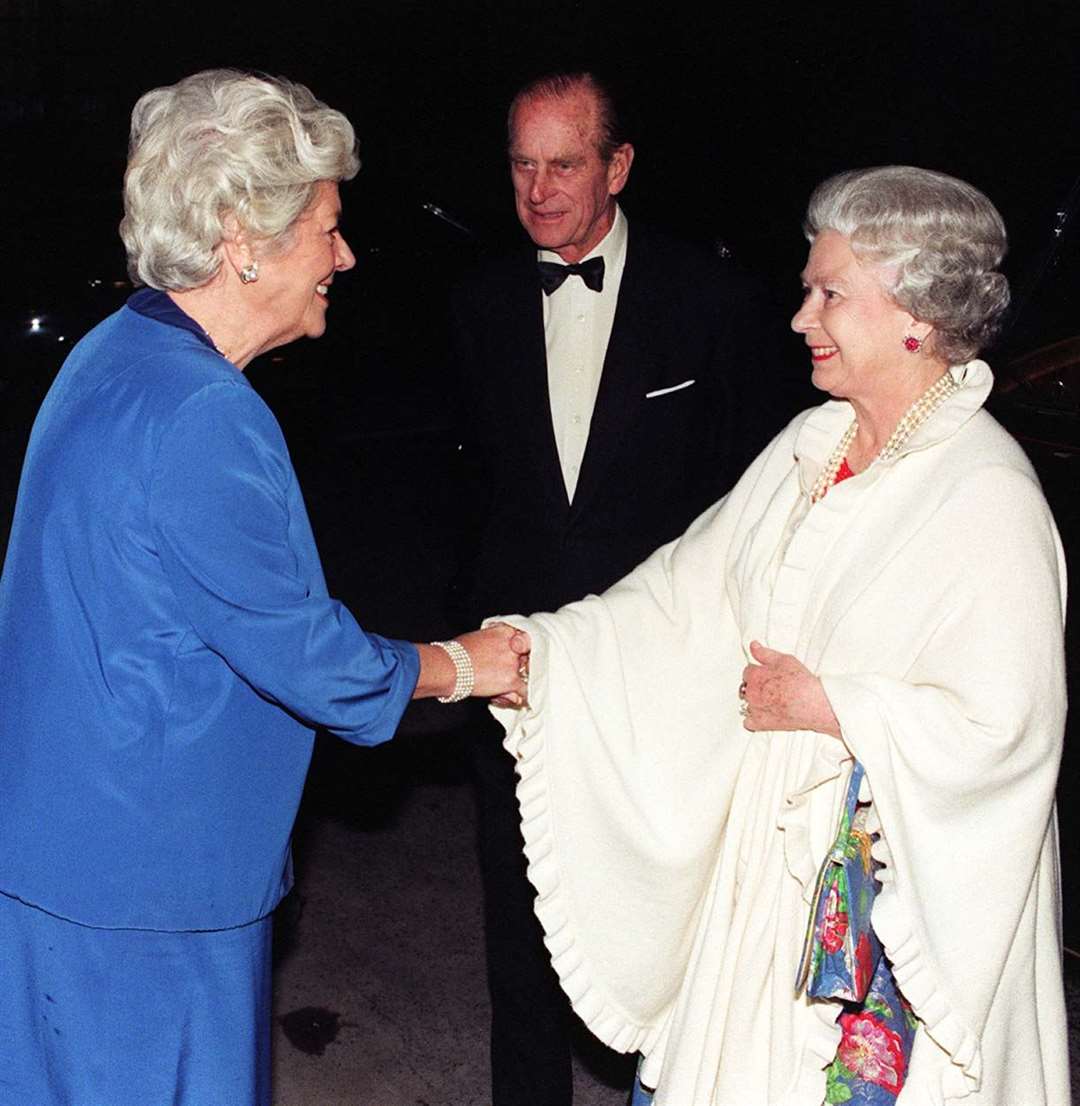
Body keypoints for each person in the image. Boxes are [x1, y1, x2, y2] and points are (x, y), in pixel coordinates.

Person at [0, 69, 527, 1106]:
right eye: (327, 227)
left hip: (58, 858)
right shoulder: (205, 415)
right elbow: (311, 657)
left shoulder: (113, 351)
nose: (345, 254)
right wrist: (466, 664)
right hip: (148, 897)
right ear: (244, 237)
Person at [491, 166, 1069, 1105]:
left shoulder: (987, 496)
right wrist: (531, 654)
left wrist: (832, 703)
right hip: (759, 900)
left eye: (829, 293)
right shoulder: (813, 443)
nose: (802, 317)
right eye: (809, 290)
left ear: (916, 315)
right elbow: (679, 599)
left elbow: (1009, 736)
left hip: (877, 931)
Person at [450, 71, 796, 1105]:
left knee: (663, 919)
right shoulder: (476, 304)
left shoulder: (713, 301)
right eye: (522, 163)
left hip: (659, 670)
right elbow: (462, 495)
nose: (539, 188)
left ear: (618, 166)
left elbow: (747, 499)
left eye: (564, 163)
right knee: (519, 917)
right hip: (519, 664)